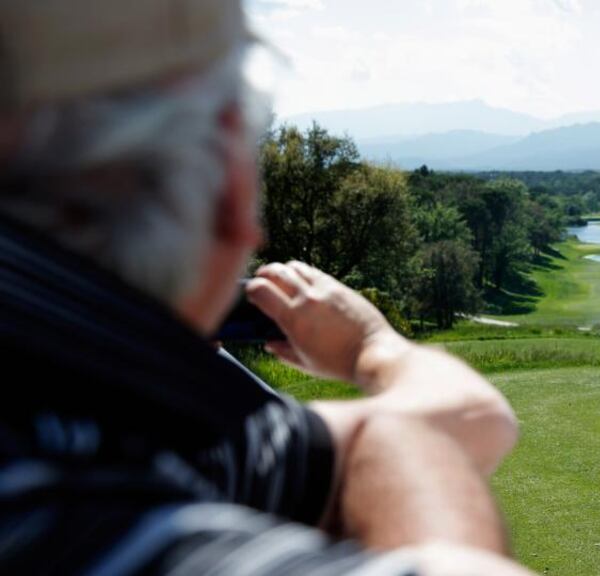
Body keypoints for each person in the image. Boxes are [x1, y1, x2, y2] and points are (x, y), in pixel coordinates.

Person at [0, 0, 533, 573]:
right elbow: (472, 425)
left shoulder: (102, 424)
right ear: (231, 190)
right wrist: (372, 354)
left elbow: (477, 421)